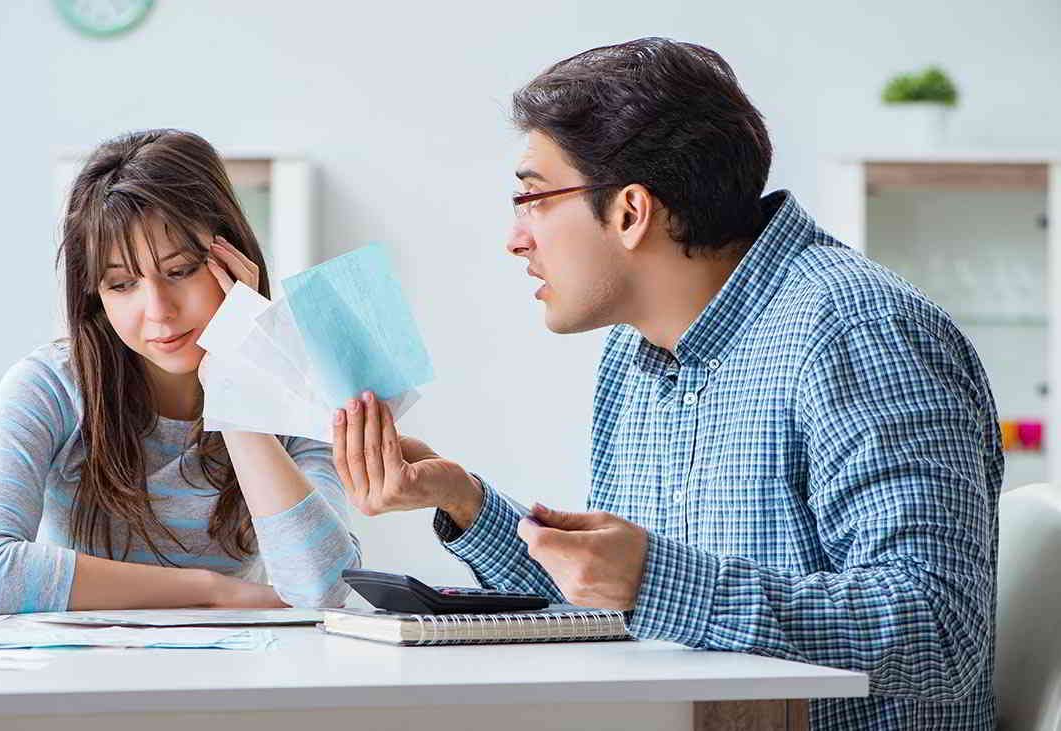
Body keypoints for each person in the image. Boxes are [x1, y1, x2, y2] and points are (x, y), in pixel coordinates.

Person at [334, 38, 1000, 730]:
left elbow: (940, 629)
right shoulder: (634, 351)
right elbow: (607, 607)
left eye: (531, 199)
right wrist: (463, 500)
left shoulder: (859, 332)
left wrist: (655, 580)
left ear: (630, 210)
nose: (515, 238)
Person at [0, 129, 359, 615]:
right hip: (78, 679)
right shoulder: (51, 386)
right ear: (97, 298)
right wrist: (212, 592)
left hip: (233, 681)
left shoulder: (298, 387)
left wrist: (233, 381)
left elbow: (321, 589)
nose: (159, 311)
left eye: (181, 271)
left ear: (234, 261)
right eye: (123, 283)